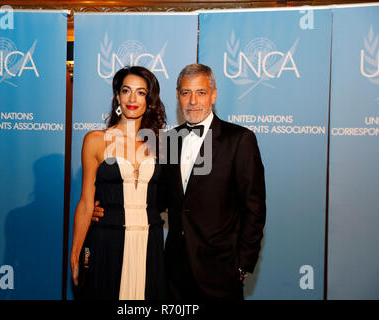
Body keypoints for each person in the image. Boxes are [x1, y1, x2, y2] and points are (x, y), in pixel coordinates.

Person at [93, 63, 266, 300]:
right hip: (173, 272)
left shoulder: (239, 139)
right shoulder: (168, 141)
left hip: (221, 271)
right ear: (177, 96)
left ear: (213, 95)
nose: (193, 101)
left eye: (201, 92)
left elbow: (254, 208)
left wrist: (243, 265)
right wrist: (108, 208)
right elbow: (157, 196)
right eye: (186, 93)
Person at [70, 66, 167, 300]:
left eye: (141, 92)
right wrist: (75, 253)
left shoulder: (163, 143)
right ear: (117, 96)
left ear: (150, 100)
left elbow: (170, 197)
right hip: (106, 238)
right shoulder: (95, 140)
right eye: (126, 91)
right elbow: (85, 202)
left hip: (149, 240)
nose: (132, 99)